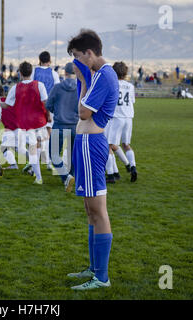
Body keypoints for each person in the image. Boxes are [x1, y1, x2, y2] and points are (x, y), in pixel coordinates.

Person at [66, 29, 119, 290]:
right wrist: (84, 80)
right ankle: (94, 268)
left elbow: (84, 112)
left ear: (89, 53)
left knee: (98, 210)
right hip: (86, 144)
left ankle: (102, 277)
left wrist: (84, 82)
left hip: (91, 144)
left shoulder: (104, 75)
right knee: (90, 210)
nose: (77, 61)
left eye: (78, 56)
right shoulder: (99, 74)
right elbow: (82, 109)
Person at [2, 61, 49, 185]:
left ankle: (38, 177)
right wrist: (48, 117)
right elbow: (46, 103)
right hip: (40, 121)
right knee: (37, 147)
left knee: (33, 149)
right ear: (31, 72)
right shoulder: (40, 85)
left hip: (26, 123)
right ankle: (35, 172)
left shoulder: (15, 88)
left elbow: (7, 105)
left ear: (20, 73)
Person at [46, 62, 79, 192]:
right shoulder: (80, 88)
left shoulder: (57, 87)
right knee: (72, 155)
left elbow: (48, 105)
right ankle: (70, 177)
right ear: (76, 73)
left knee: (53, 155)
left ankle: (66, 177)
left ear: (64, 73)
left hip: (59, 124)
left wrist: (58, 111)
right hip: (75, 126)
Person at [104, 62, 137, 184]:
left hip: (116, 117)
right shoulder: (130, 86)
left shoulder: (112, 85)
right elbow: (131, 101)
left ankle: (111, 175)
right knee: (126, 144)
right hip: (128, 117)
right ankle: (132, 166)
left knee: (107, 146)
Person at [32, 51, 60, 170]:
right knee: (49, 133)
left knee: (36, 135)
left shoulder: (34, 72)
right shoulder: (54, 73)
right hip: (50, 106)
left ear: (39, 60)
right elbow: (57, 91)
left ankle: (35, 164)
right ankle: (48, 162)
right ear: (49, 61)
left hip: (35, 107)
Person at [0, 84, 19, 170]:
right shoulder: (10, 100)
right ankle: (31, 163)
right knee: (16, 147)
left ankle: (17, 165)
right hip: (20, 126)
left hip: (11, 128)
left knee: (5, 148)